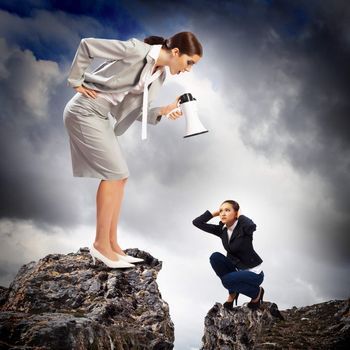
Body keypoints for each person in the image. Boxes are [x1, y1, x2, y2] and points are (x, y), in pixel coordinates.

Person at [63, 32, 203, 268]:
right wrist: (76, 81)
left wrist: (165, 110)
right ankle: (100, 245)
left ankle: (112, 245)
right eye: (190, 62)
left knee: (121, 177)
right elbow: (87, 46)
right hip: (84, 111)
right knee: (114, 175)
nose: (189, 69)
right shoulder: (135, 51)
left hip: (101, 116)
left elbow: (133, 111)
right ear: (176, 52)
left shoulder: (158, 76)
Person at [192, 200, 264, 310]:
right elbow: (197, 222)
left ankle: (257, 293)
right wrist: (215, 213)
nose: (223, 213)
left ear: (236, 213)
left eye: (227, 210)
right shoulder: (222, 230)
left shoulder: (244, 228)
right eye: (221, 211)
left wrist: (240, 215)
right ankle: (233, 292)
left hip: (253, 274)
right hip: (238, 270)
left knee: (227, 281)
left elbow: (251, 226)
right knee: (215, 257)